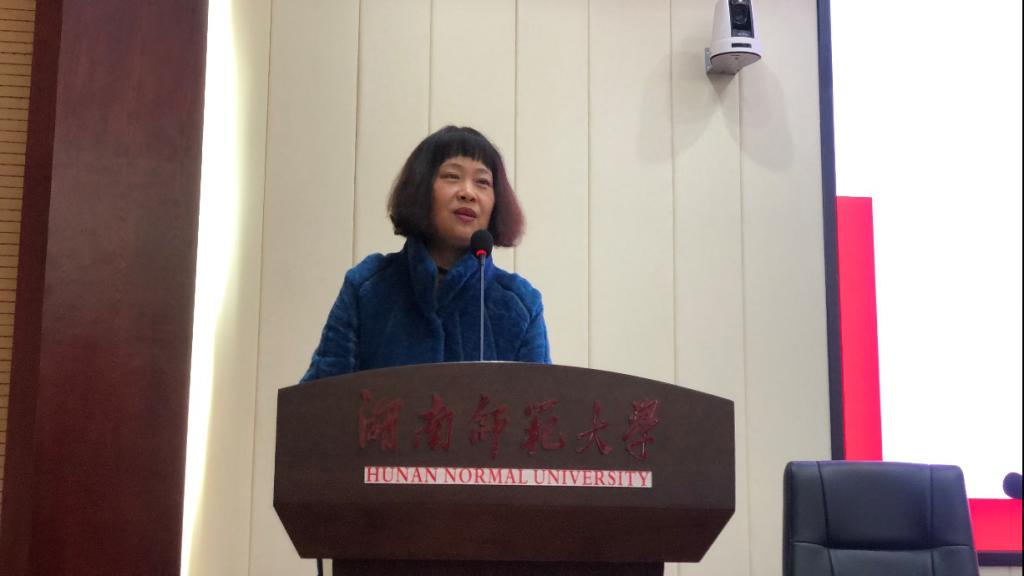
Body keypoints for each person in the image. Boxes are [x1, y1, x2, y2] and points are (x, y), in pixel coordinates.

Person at [300, 126, 551, 382]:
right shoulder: (367, 287)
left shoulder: (520, 304)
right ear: (422, 187)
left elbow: (542, 401)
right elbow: (321, 398)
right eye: (452, 176)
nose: (468, 192)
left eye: (482, 182)